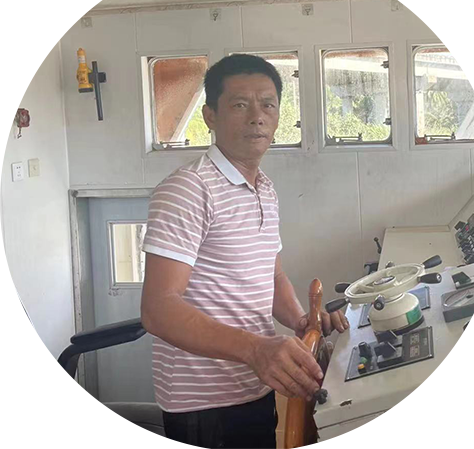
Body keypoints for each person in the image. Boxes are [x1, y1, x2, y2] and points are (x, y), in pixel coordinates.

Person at [141, 54, 349, 448]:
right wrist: (256, 349)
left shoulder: (264, 189)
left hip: (253, 387)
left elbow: (272, 275)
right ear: (210, 116)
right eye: (240, 105)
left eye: (268, 105)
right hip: (204, 405)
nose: (257, 117)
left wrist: (300, 320)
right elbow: (158, 308)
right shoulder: (188, 189)